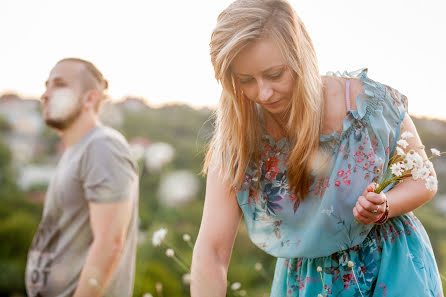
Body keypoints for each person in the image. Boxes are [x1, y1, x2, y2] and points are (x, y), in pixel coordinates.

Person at [191, 0, 443, 296]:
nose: (264, 92)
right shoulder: (238, 138)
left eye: (274, 74)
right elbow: (213, 250)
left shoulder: (368, 105)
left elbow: (424, 179)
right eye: (246, 80)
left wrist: (386, 205)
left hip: (390, 268)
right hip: (308, 283)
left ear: (301, 57)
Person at [25, 58, 139, 297]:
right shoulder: (73, 152)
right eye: (47, 85)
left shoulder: (102, 146)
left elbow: (110, 243)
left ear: (89, 99)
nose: (45, 94)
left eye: (59, 85)